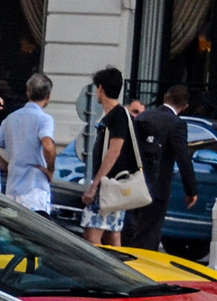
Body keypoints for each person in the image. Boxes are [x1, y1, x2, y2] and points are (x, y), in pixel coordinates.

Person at [123, 85, 200, 251]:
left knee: (131, 229)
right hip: (158, 185)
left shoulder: (144, 116)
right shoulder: (176, 124)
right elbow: (183, 157)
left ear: (166, 97)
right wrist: (191, 190)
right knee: (149, 232)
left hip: (133, 181)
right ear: (185, 106)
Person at [79, 67, 140, 246]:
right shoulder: (118, 115)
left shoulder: (117, 115)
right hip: (115, 186)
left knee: (91, 236)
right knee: (112, 235)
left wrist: (94, 185)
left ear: (100, 89)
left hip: (107, 186)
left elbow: (114, 151)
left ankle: (95, 273)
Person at [0, 73, 59, 214]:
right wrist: (50, 169)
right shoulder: (44, 119)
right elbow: (48, 146)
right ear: (48, 95)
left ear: (28, 92)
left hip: (13, 189)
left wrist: (8, 167)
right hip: (34, 188)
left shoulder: (11, 119)